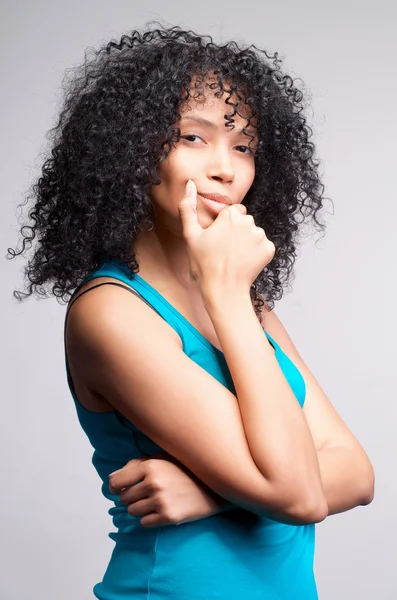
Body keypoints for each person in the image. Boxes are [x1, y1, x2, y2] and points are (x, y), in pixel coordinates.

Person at [9, 24, 374, 600]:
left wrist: (209, 494)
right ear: (130, 147)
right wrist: (227, 298)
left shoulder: (244, 299)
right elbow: (302, 495)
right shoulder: (111, 313)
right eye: (193, 138)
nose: (226, 169)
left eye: (244, 146)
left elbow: (355, 473)